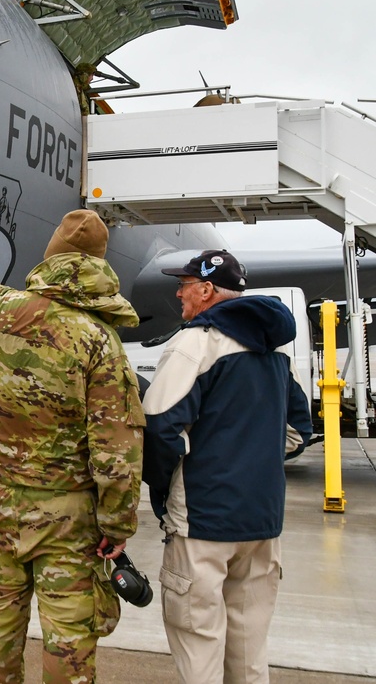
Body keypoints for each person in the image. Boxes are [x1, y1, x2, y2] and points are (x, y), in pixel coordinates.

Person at [0, 164, 145, 684]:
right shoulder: (100, 342)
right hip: (70, 522)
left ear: (52, 257)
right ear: (97, 266)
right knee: (69, 648)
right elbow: (117, 450)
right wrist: (117, 528)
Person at [142, 250, 313, 684]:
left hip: (203, 523)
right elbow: (299, 430)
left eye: (183, 284)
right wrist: (252, 464)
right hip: (262, 522)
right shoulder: (273, 353)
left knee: (199, 642)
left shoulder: (194, 343)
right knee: (248, 649)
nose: (178, 292)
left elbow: (161, 428)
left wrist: (164, 492)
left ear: (205, 291)